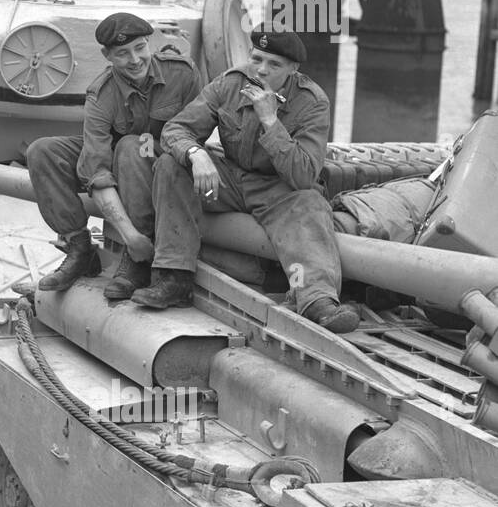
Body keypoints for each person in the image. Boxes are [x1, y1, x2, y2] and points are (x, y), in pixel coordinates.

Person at [132, 28, 361, 334]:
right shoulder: (230, 82)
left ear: (293, 70)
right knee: (170, 164)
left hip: (276, 188)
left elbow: (304, 175)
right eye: (257, 59)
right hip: (228, 181)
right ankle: (173, 277)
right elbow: (176, 130)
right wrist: (196, 154)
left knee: (310, 203)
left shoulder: (312, 102)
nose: (262, 70)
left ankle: (317, 301)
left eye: (274, 64)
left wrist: (270, 120)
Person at [13, 12, 203, 300]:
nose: (135, 59)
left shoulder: (182, 74)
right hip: (121, 162)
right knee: (42, 151)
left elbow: (197, 131)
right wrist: (131, 236)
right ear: (107, 55)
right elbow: (97, 172)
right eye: (123, 53)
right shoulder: (101, 96)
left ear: (149, 43)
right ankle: (79, 249)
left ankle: (137, 263)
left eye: (140, 48)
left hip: (168, 162)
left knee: (132, 144)